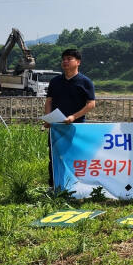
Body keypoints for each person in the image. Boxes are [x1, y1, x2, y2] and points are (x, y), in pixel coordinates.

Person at [44, 48, 96, 187]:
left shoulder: (85, 82)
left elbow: (91, 104)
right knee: (55, 157)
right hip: (56, 127)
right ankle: (54, 186)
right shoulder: (55, 81)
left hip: (76, 126)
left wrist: (74, 116)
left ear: (78, 62)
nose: (65, 62)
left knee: (76, 157)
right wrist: (48, 119)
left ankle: (77, 187)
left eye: (69, 59)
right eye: (64, 59)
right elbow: (49, 101)